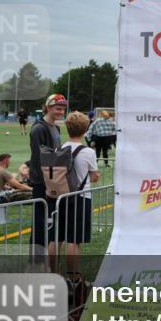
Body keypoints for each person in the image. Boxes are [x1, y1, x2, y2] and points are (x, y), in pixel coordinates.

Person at [55, 112, 99, 274]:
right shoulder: (88, 152)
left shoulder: (59, 148)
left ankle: (52, 272)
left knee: (56, 238)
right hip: (81, 197)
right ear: (85, 129)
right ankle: (73, 278)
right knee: (74, 240)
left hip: (60, 196)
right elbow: (94, 176)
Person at [29, 94, 67, 253]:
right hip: (42, 181)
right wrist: (46, 183)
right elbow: (39, 159)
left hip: (54, 180)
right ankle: (35, 260)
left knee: (52, 220)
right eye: (58, 108)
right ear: (48, 107)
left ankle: (47, 256)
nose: (61, 111)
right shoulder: (39, 128)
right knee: (40, 221)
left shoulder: (56, 127)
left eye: (63, 108)